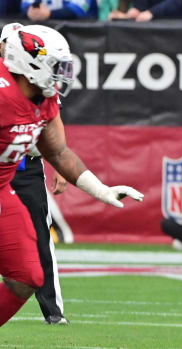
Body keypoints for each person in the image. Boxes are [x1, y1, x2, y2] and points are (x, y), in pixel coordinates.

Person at [0, 24, 143, 328]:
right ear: (29, 64)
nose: (61, 74)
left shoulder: (43, 96)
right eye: (54, 65)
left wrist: (100, 190)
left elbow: (58, 153)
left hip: (4, 189)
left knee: (29, 275)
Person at [1, 22, 69, 325]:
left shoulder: (39, 87)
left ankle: (53, 312)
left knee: (34, 257)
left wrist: (62, 165)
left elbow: (55, 134)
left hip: (23, 166)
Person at [21, 0, 98, 21]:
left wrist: (49, 14)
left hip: (80, 36)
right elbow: (25, 5)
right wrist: (32, 11)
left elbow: (76, 10)